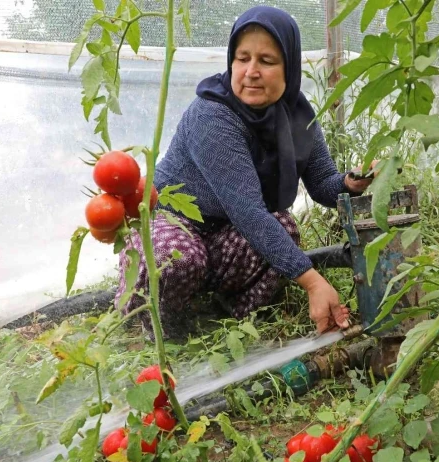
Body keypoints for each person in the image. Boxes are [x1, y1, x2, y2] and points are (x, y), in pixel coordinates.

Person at [115, 6, 374, 340]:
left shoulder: (295, 114)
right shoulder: (212, 115)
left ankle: (221, 319)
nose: (251, 71)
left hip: (222, 232)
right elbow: (249, 211)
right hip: (173, 222)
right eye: (242, 58)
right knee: (174, 261)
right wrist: (313, 282)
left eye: (266, 61)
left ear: (289, 68)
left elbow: (323, 184)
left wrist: (350, 182)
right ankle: (160, 330)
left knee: (284, 228)